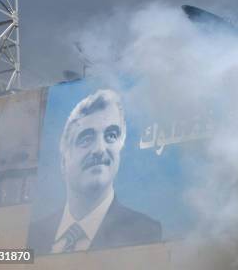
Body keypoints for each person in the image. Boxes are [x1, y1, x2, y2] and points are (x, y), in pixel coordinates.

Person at [28, 89, 161, 254]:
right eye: (86, 138)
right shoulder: (34, 235)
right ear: (63, 162)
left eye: (111, 136)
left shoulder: (145, 232)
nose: (99, 149)